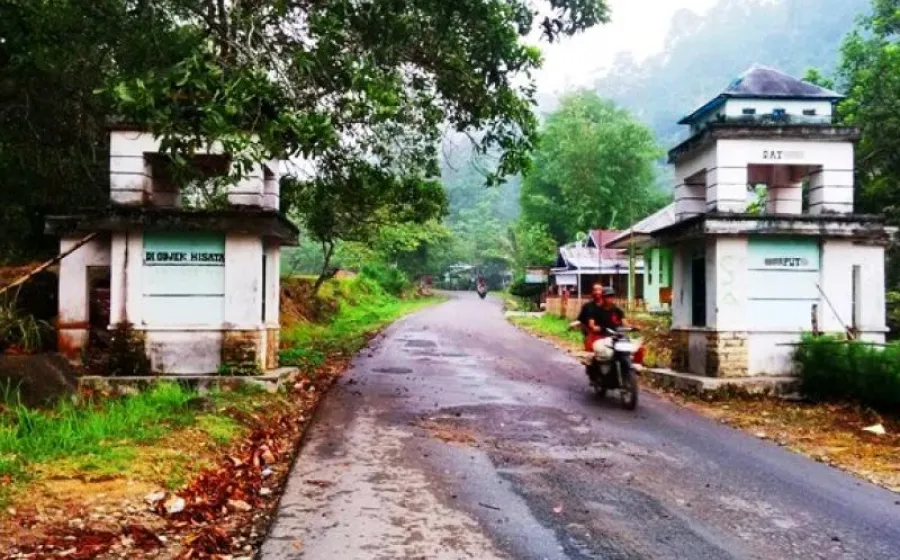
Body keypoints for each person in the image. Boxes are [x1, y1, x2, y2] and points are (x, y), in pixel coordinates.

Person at [577, 284, 624, 358]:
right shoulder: (593, 309)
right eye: (607, 296)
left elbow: (625, 323)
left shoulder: (618, 310)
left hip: (615, 336)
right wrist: (594, 330)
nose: (610, 298)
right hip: (599, 337)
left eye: (611, 296)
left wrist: (629, 329)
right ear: (603, 297)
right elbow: (590, 325)